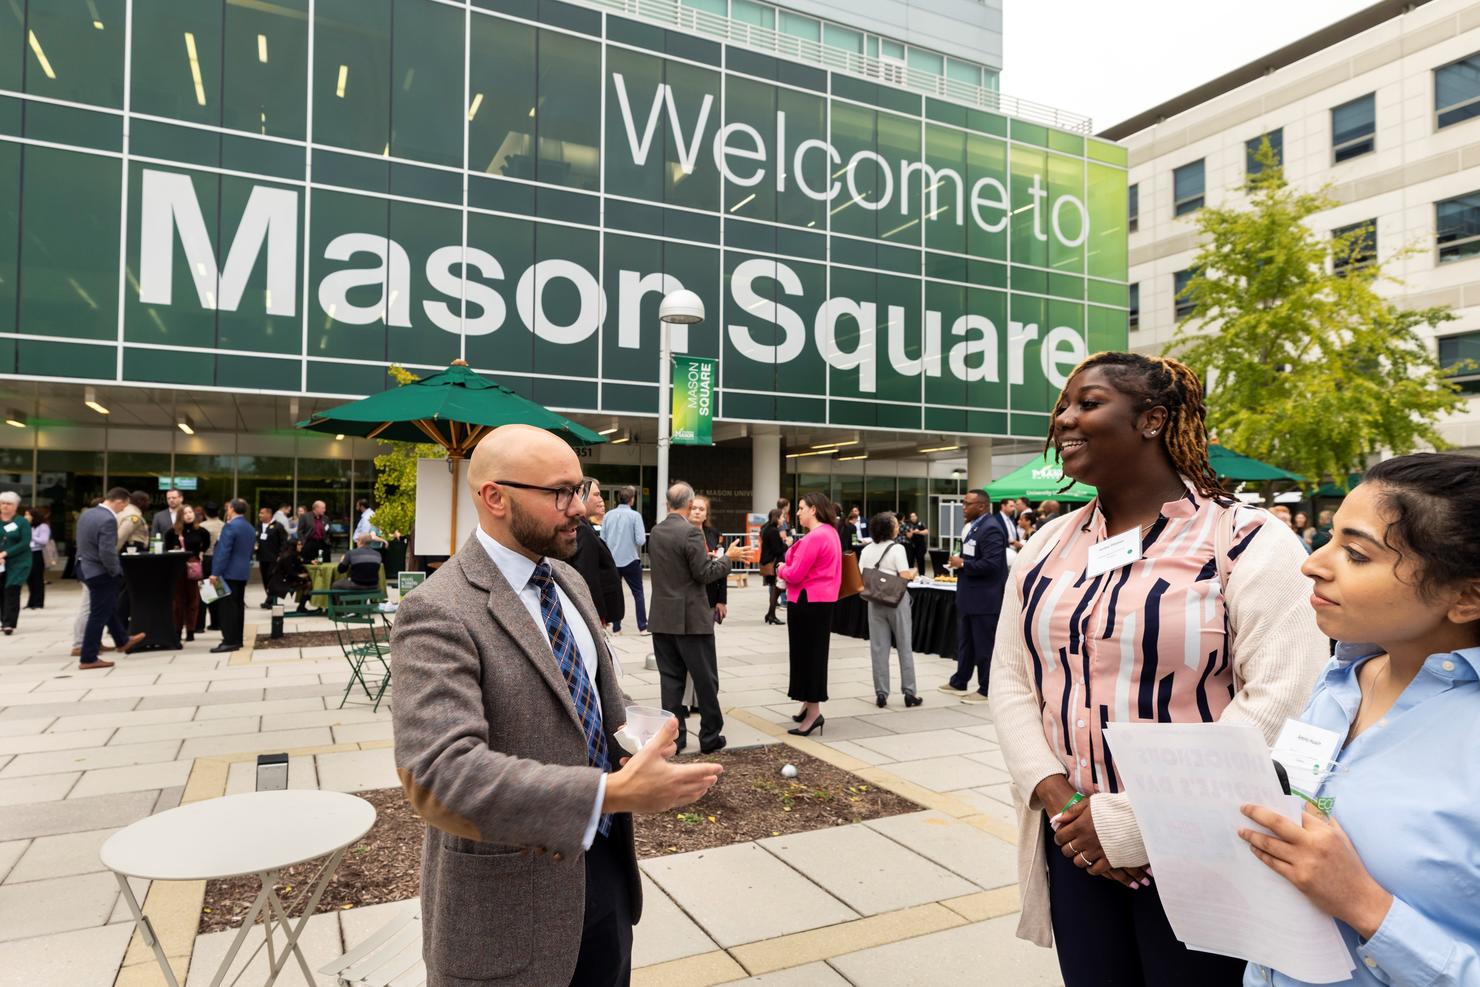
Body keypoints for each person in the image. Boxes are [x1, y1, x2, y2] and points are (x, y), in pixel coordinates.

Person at [990, 352, 1326, 986]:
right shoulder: (1045, 544)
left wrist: (1135, 819)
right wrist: (1065, 806)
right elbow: (1011, 681)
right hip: (1075, 848)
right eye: (1063, 406)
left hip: (1206, 848)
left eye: (1087, 404)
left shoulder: (1247, 541)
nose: (1064, 419)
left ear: (1153, 420)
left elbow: (1282, 697)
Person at [391, 424, 723, 987]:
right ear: (495, 497)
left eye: (581, 487)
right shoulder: (438, 610)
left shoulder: (567, 579)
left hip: (606, 880)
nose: (580, 508)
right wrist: (610, 793)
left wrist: (637, 745)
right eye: (560, 493)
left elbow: (590, 703)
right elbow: (440, 774)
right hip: (508, 904)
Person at [1235, 452, 1480, 987]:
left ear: (1466, 596)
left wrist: (1366, 906)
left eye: (1356, 554)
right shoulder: (1340, 679)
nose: (1313, 564)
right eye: (1328, 538)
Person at [647, 482, 740, 754]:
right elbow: (704, 573)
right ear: (689, 506)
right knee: (705, 679)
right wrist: (728, 558)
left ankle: (676, 738)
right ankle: (710, 735)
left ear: (667, 504)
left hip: (663, 617)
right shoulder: (690, 533)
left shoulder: (656, 531)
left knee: (670, 681)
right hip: (690, 619)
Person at [778, 492, 843, 737]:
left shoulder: (816, 537)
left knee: (807, 657)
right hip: (819, 602)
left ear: (813, 509)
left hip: (808, 601)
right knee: (812, 654)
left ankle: (813, 712)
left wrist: (782, 568)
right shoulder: (831, 533)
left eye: (801, 507)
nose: (798, 512)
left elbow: (795, 574)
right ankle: (808, 704)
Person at [938, 488, 1007, 703]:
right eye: (963, 503)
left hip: (985, 599)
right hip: (969, 596)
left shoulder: (992, 528)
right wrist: (959, 562)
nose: (963, 508)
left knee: (984, 645)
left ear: (982, 506)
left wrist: (964, 564)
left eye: (967, 504)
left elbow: (993, 564)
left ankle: (987, 688)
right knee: (965, 642)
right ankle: (960, 680)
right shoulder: (975, 527)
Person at [75, 488, 145, 669]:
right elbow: (107, 551)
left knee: (106, 607)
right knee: (98, 614)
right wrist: (116, 571)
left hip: (84, 567)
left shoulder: (87, 514)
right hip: (99, 572)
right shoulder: (108, 519)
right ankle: (88, 657)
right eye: (124, 506)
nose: (123, 510)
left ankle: (122, 640)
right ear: (119, 501)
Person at [860, 512, 922, 709]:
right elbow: (904, 575)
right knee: (904, 645)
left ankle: (881, 693)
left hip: (875, 600)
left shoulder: (867, 549)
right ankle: (909, 692)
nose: (898, 527)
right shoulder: (897, 549)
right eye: (895, 525)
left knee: (878, 648)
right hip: (896, 600)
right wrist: (914, 572)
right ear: (889, 529)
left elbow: (861, 574)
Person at [569, 480, 624, 628]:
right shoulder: (582, 530)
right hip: (591, 613)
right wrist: (597, 614)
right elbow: (587, 576)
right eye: (596, 495)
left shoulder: (585, 526)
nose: (601, 500)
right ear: (580, 495)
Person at [600, 485, 648, 636]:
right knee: (638, 593)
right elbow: (640, 540)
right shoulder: (635, 516)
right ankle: (642, 626)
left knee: (615, 593)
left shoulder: (608, 515)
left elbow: (602, 539)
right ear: (632, 499)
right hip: (630, 559)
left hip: (612, 560)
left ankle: (616, 628)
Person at [209, 498, 254, 654]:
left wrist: (215, 572)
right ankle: (237, 638)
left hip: (228, 572)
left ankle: (229, 640)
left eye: (228, 508)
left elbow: (223, 551)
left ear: (232, 509)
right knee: (238, 606)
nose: (227, 510)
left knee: (227, 608)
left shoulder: (230, 527)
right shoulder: (249, 527)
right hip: (241, 572)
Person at [165, 504, 209, 643]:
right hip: (177, 568)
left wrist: (200, 554)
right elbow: (167, 548)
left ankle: (191, 630)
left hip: (194, 567)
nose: (189, 515)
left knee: (193, 600)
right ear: (180, 516)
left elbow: (206, 544)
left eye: (191, 512)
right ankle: (177, 630)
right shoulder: (172, 532)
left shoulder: (201, 531)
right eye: (185, 513)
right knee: (178, 601)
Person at [0, 491, 32, 635]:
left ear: (15, 506)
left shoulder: (22, 522)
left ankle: (9, 623)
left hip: (18, 561)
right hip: (0, 561)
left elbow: (25, 542)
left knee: (11, 589)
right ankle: (3, 620)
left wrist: (5, 553)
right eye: (3, 503)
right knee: (1, 591)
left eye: (9, 504)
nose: (5, 506)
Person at [197, 501, 226, 633]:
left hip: (205, 559)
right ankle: (217, 622)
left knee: (203, 592)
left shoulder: (201, 526)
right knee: (218, 591)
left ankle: (199, 625)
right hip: (219, 559)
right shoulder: (224, 526)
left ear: (205, 512)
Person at [760, 507, 791, 625]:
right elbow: (777, 550)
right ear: (777, 518)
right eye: (782, 517)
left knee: (775, 589)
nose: (784, 519)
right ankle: (771, 615)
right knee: (775, 590)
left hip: (769, 562)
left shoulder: (768, 528)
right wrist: (787, 544)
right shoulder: (773, 531)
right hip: (772, 563)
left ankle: (770, 614)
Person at [268, 540, 312, 613]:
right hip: (281, 582)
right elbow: (290, 573)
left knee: (307, 581)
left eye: (301, 544)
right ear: (294, 546)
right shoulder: (289, 556)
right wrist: (300, 576)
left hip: (285, 579)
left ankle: (302, 606)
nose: (301, 546)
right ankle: (301, 607)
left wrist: (310, 562)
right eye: (299, 544)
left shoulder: (293, 554)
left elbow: (300, 561)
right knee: (308, 584)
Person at [256, 507, 288, 607]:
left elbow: (284, 542)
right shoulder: (259, 526)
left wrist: (281, 555)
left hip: (274, 557)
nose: (260, 515)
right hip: (262, 557)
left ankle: (271, 600)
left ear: (269, 514)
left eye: (262, 513)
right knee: (265, 578)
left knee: (272, 578)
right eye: (259, 513)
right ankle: (269, 598)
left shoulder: (278, 526)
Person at [24, 507, 49, 610]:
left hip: (37, 553)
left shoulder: (43, 526)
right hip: (27, 553)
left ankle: (38, 602)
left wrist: (31, 536)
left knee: (37, 578)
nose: (26, 517)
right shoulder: (27, 526)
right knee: (29, 578)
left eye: (28, 515)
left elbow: (44, 540)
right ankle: (31, 602)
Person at [903, 510, 930, 575]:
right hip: (911, 546)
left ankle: (922, 575)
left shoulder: (920, 523)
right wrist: (912, 532)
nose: (913, 518)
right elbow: (908, 535)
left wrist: (919, 532)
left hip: (920, 546)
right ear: (910, 518)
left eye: (914, 516)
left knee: (920, 561)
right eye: (911, 516)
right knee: (910, 562)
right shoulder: (908, 525)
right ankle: (910, 576)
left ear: (916, 517)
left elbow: (926, 531)